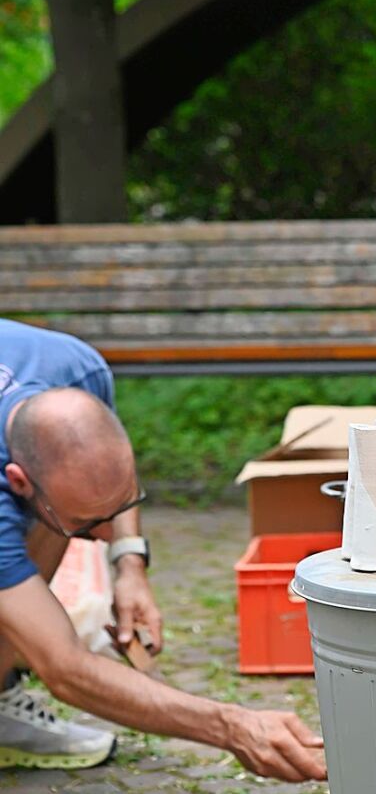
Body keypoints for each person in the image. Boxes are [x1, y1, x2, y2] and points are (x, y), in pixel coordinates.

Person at [0, 318, 326, 782]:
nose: (102, 537)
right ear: (17, 480)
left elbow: (112, 478)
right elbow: (65, 669)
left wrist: (129, 566)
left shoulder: (77, 369)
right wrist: (232, 726)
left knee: (59, 517)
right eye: (91, 527)